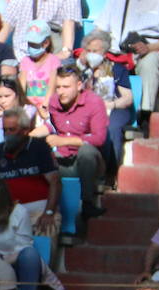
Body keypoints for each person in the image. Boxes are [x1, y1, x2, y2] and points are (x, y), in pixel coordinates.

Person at [41, 64, 108, 221]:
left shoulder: (94, 102)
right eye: (58, 87)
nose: (61, 92)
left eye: (66, 87)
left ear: (79, 86)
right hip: (63, 160)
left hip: (88, 161)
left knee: (86, 151)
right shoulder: (54, 102)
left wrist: (64, 141)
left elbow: (99, 138)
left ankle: (87, 203)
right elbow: (49, 127)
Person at [0, 107, 61, 235]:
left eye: (12, 130)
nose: (7, 134)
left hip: (38, 212)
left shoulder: (39, 147)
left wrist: (49, 212)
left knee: (48, 229)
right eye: (5, 130)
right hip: (5, 213)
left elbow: (55, 182)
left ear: (25, 130)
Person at [93, 0, 159, 124]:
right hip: (114, 53)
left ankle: (145, 114)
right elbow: (99, 30)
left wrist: (148, 48)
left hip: (149, 51)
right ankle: (100, 114)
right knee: (98, 60)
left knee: (149, 61)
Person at [78, 30, 135, 175]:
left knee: (112, 128)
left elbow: (127, 98)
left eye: (95, 51)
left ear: (104, 52)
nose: (91, 54)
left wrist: (111, 105)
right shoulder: (81, 71)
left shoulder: (117, 69)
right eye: (88, 50)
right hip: (87, 109)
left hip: (113, 107)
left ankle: (110, 173)